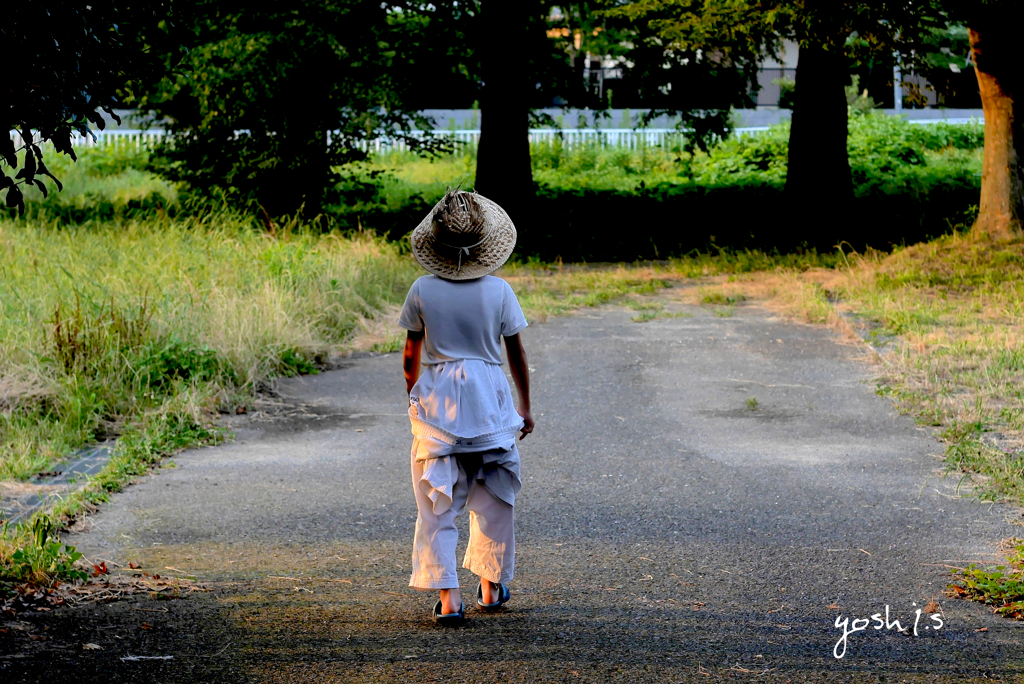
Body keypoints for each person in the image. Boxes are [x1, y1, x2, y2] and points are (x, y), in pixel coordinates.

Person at [399, 187, 534, 625]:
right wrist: (525, 406)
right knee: (494, 495)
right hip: (489, 398)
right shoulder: (499, 290)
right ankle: (492, 587)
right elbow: (516, 354)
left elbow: (409, 354)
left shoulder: (422, 289)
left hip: (440, 400)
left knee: (437, 499)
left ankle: (449, 597)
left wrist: (415, 391)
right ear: (486, 246)